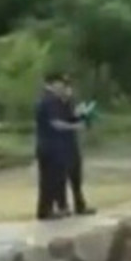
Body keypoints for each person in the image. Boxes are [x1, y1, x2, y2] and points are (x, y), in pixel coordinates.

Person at [34, 72, 85, 220]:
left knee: (54, 180)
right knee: (49, 181)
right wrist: (75, 127)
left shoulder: (54, 100)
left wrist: (78, 117)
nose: (63, 87)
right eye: (60, 84)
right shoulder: (49, 100)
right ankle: (45, 211)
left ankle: (50, 210)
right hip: (50, 148)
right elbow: (55, 123)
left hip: (54, 148)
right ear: (51, 84)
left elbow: (66, 118)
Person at [56, 83, 96, 216]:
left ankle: (80, 205)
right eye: (66, 89)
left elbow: (77, 120)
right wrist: (76, 124)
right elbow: (60, 124)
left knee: (76, 177)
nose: (68, 92)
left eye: (70, 89)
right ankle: (62, 206)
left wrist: (84, 115)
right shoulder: (56, 106)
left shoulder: (71, 105)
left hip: (72, 144)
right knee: (61, 178)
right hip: (60, 145)